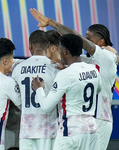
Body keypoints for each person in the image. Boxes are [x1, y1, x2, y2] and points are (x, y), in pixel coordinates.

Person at [29, 8, 117, 150]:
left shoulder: (105, 56)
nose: (84, 42)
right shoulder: (90, 62)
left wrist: (51, 22)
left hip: (99, 119)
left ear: (100, 42)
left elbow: (76, 38)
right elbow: (67, 61)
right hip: (89, 122)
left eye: (88, 38)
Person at [32, 34, 101, 150]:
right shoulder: (93, 69)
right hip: (92, 130)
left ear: (65, 51)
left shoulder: (65, 75)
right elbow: (98, 90)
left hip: (71, 132)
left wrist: (39, 89)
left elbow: (46, 107)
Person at [12, 30, 59, 150]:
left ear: (30, 46)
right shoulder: (55, 67)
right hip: (48, 130)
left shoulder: (18, 68)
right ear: (48, 45)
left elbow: (15, 97)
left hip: (26, 131)